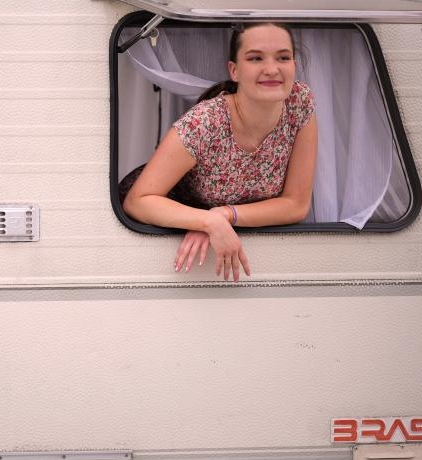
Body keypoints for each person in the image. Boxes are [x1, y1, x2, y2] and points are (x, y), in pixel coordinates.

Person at [122, 23, 317, 281]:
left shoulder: (299, 103)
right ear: (234, 70)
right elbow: (138, 200)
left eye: (283, 57)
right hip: (162, 218)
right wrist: (205, 222)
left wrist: (224, 215)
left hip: (216, 222)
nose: (272, 69)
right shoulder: (205, 122)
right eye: (255, 58)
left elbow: (296, 204)